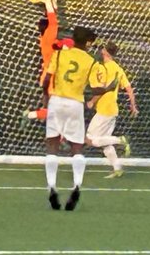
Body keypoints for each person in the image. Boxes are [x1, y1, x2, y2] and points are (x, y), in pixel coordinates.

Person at [42, 25, 110, 211]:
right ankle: (77, 186)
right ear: (87, 43)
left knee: (52, 145)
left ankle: (51, 187)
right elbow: (96, 88)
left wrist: (46, 97)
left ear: (73, 38)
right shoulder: (91, 62)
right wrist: (108, 89)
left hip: (56, 100)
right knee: (77, 147)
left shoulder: (59, 55)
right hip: (75, 104)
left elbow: (47, 79)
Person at [86, 41, 137, 178]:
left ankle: (121, 140)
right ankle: (117, 169)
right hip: (113, 109)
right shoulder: (118, 69)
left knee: (89, 139)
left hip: (104, 109)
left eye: (103, 48)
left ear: (105, 52)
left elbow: (102, 89)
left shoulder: (103, 68)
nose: (101, 50)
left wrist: (92, 101)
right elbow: (129, 88)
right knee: (105, 143)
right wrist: (133, 105)